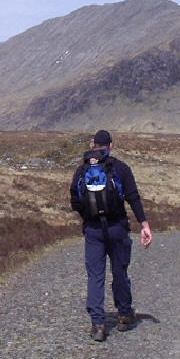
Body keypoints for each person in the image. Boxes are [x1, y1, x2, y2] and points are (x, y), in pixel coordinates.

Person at [69, 129, 152, 342]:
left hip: (93, 230)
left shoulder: (81, 170)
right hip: (118, 227)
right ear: (111, 146)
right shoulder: (120, 169)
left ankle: (98, 324)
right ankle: (124, 314)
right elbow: (133, 197)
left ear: (92, 144)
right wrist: (144, 224)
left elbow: (75, 201)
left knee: (95, 276)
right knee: (120, 270)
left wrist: (88, 217)